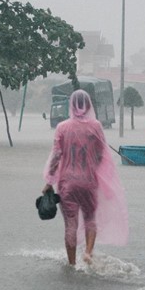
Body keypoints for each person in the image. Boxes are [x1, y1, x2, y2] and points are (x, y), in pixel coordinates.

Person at [42, 90, 129, 266]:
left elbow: (57, 155)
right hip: (89, 182)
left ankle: (72, 264)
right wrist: (91, 169)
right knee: (90, 219)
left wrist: (49, 182)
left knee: (70, 225)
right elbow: (101, 154)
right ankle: (88, 253)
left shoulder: (62, 127)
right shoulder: (95, 126)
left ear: (70, 106)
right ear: (89, 105)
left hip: (67, 183)